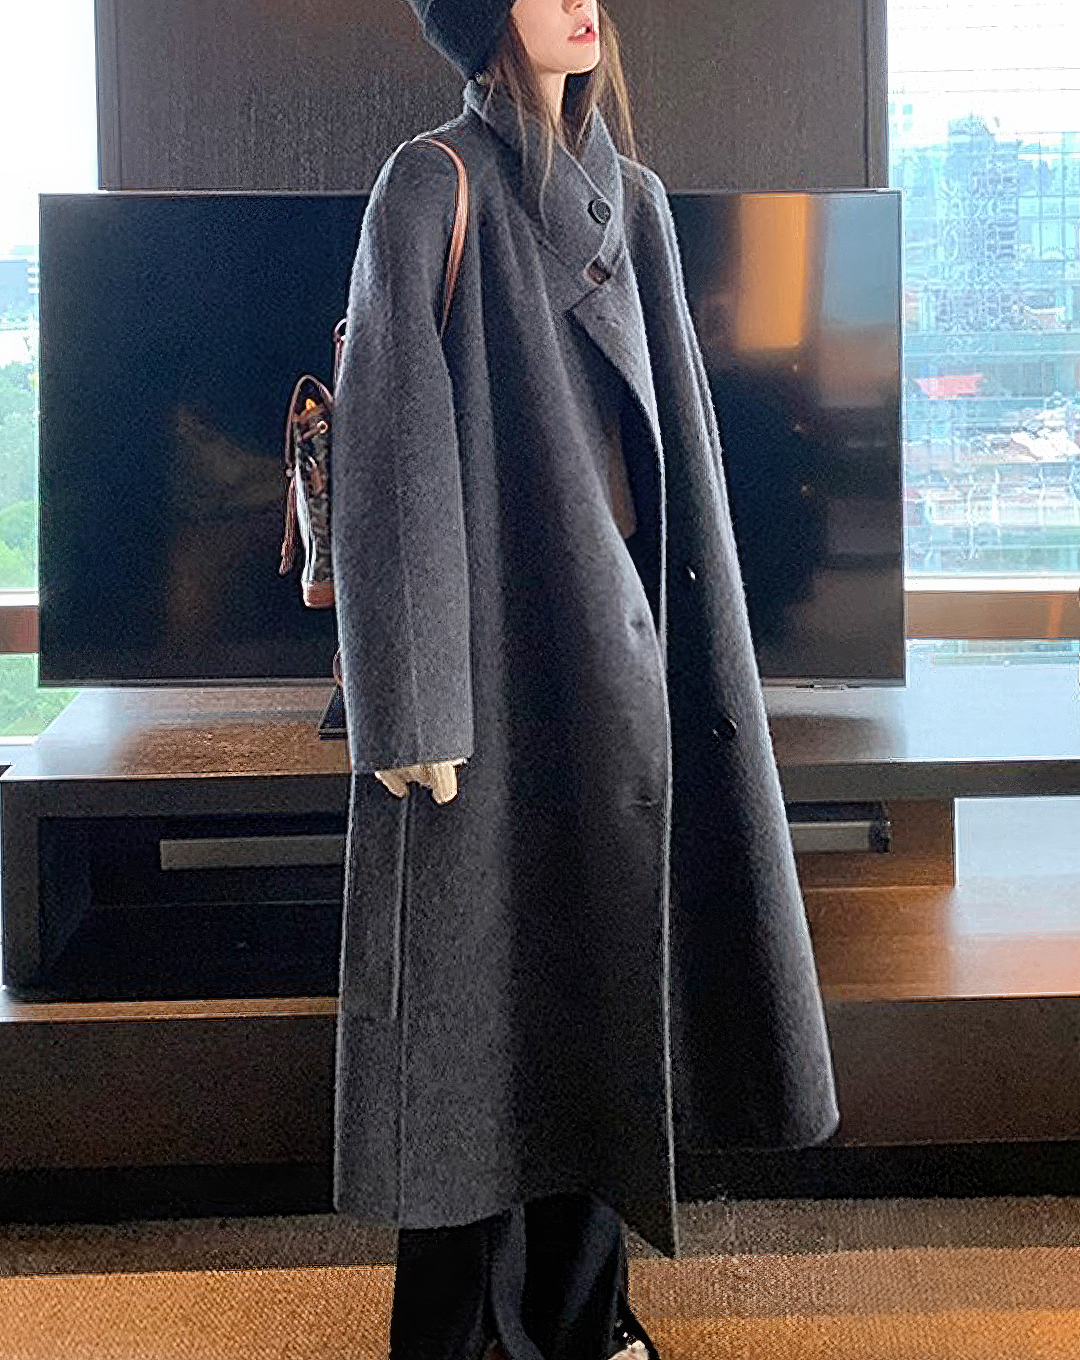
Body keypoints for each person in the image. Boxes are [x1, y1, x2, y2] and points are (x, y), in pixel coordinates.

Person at [329, 2, 841, 1357]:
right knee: (475, 1036)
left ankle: (585, 1317)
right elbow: (389, 441)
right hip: (493, 679)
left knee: (608, 1005)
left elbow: (684, 454)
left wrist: (701, 658)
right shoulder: (433, 181)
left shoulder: (638, 201)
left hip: (624, 671)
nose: (578, 0)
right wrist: (413, 703)